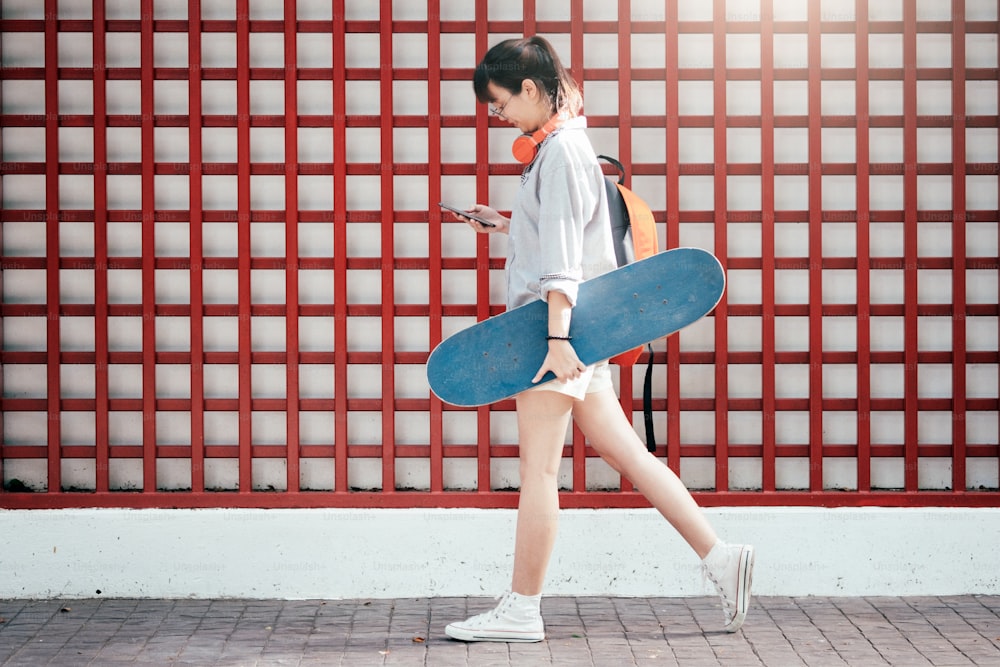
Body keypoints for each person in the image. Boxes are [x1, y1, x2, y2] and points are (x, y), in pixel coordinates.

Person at [442, 36, 755, 643]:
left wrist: (557, 339)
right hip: (582, 331)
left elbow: (562, 263)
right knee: (630, 456)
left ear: (530, 89)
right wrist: (505, 224)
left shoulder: (559, 153)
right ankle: (721, 556)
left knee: (538, 473)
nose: (497, 114)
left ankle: (522, 609)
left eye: (501, 102)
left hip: (553, 333)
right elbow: (568, 237)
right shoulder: (568, 146)